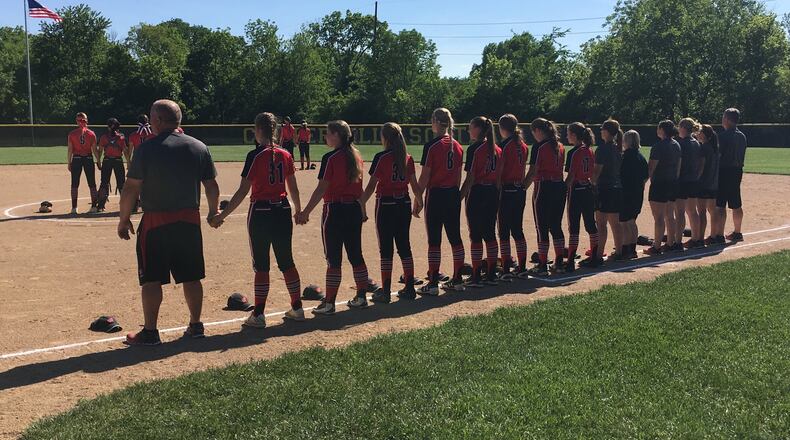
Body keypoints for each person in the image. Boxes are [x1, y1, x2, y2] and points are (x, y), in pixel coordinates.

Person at [117, 99, 220, 346]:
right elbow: (211, 185)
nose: (151, 123)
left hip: (156, 223)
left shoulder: (146, 149)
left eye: (152, 118)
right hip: (189, 221)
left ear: (159, 120)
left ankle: (151, 332)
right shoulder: (198, 147)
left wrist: (124, 220)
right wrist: (213, 211)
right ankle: (196, 326)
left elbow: (131, 188)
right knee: (192, 276)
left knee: (152, 279)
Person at [209, 112, 304, 327]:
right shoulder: (285, 153)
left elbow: (243, 191)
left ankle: (259, 314)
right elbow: (293, 187)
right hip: (282, 210)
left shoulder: (256, 155)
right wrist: (298, 210)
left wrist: (221, 216)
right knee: (286, 261)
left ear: (258, 130)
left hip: (261, 212)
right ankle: (297, 307)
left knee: (261, 265)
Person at [296, 120, 370, 314]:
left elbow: (322, 189)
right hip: (353, 209)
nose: (326, 137)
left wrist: (305, 212)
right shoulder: (356, 155)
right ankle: (361, 297)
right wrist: (362, 210)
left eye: (328, 133)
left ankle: (329, 303)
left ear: (337, 135)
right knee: (356, 255)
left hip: (335, 211)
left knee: (333, 259)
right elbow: (359, 188)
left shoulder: (331, 158)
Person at [360, 122, 423, 303]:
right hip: (403, 202)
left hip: (386, 204)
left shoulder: (382, 157)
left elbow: (371, 186)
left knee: (386, 248)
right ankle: (410, 287)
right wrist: (420, 201)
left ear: (385, 138)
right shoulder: (407, 158)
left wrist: (361, 204)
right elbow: (415, 185)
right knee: (404, 246)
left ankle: (385, 291)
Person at [417, 108, 466, 294]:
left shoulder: (432, 145)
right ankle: (458, 279)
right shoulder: (458, 145)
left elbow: (424, 177)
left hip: (436, 195)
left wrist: (418, 198)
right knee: (455, 238)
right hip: (452, 193)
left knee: (434, 240)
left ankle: (432, 284)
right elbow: (458, 176)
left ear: (436, 121)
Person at [460, 116, 501, 287]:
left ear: (478, 129)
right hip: (492, 192)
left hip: (477, 193)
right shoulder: (498, 149)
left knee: (475, 235)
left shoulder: (475, 149)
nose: (469, 130)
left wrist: (459, 197)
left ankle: (476, 275)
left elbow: (470, 178)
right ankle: (491, 274)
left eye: (471, 127)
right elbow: (499, 178)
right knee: (490, 234)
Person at [524, 118, 566, 275]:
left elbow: (533, 171)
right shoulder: (560, 145)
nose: (534, 135)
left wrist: (523, 187)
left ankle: (542, 265)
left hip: (544, 187)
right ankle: (560, 263)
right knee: (556, 225)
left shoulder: (539, 147)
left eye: (534, 132)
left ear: (538, 131)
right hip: (559, 186)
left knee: (542, 227)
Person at [496, 114, 530, 280]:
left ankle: (506, 268)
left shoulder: (504, 145)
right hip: (519, 189)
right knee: (517, 229)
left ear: (502, 128)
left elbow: (500, 170)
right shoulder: (522, 145)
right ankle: (522, 267)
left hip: (507, 189)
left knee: (503, 231)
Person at [564, 122, 598, 271]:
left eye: (568, 133)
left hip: (576, 189)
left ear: (574, 135)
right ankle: (595, 257)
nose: (567, 136)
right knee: (591, 224)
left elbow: (571, 176)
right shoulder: (590, 150)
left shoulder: (574, 152)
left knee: (574, 227)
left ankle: (570, 261)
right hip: (588, 188)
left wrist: (562, 190)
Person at [645, 120, 682, 255]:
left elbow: (651, 167)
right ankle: (670, 243)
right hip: (672, 182)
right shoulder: (676, 144)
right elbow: (678, 166)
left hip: (660, 183)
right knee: (669, 215)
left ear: (662, 130)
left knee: (659, 217)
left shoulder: (658, 146)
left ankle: (656, 246)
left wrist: (644, 181)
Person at [593, 119, 625, 261]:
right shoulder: (618, 148)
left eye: (602, 129)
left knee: (601, 223)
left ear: (607, 132)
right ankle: (619, 252)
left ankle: (599, 254)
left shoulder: (603, 149)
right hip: (616, 188)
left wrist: (591, 183)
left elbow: (597, 172)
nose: (601, 132)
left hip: (604, 188)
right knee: (615, 223)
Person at [716, 108, 747, 242]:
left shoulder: (723, 136)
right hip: (737, 171)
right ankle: (737, 232)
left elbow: (718, 155)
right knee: (736, 203)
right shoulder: (742, 136)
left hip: (724, 171)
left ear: (727, 119)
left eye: (724, 117)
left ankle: (719, 235)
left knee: (720, 204)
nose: (722, 120)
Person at [619, 130, 648, 259]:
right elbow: (645, 176)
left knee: (624, 222)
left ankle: (625, 249)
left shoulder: (624, 156)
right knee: (632, 221)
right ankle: (632, 249)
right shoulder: (640, 157)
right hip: (637, 192)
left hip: (625, 193)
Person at [676, 118, 703, 248]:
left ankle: (677, 241)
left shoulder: (681, 143)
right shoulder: (696, 143)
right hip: (693, 180)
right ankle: (696, 239)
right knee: (692, 211)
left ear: (683, 128)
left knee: (680, 212)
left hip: (682, 180)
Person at [66, 112, 99, 215]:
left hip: (77, 158)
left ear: (76, 122)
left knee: (75, 184)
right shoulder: (91, 133)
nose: (82, 122)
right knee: (91, 183)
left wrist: (69, 162)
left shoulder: (72, 134)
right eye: (82, 120)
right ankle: (94, 206)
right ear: (87, 121)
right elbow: (94, 150)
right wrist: (98, 161)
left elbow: (70, 149)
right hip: (88, 158)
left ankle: (74, 208)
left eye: (82, 120)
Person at [96, 118, 128, 212]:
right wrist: (129, 162)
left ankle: (101, 205)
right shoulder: (121, 137)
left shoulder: (104, 137)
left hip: (107, 161)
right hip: (118, 161)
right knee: (121, 183)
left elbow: (100, 151)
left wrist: (98, 161)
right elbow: (125, 151)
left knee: (104, 182)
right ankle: (125, 205)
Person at [695, 124, 720, 244]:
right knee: (712, 210)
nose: (697, 134)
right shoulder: (714, 147)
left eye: (699, 132)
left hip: (703, 183)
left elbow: (701, 167)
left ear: (704, 134)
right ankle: (713, 236)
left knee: (701, 212)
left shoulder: (704, 148)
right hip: (713, 183)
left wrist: (696, 179)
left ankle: (699, 238)